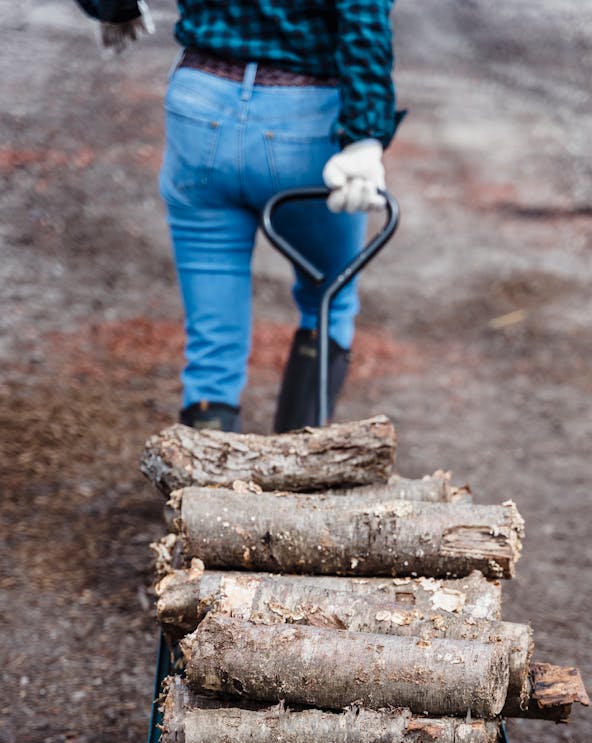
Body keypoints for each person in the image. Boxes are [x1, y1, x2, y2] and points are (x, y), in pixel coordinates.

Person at [75, 1, 403, 433]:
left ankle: (206, 490)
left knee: (211, 345)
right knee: (330, 297)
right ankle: (299, 475)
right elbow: (363, 12)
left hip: (202, 103)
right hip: (304, 121)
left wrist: (113, 7)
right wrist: (364, 135)